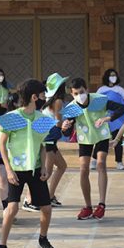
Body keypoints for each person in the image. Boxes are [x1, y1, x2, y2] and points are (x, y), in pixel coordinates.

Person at [0, 79, 57, 248]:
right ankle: (2, 247)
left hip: (35, 170)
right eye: (43, 95)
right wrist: (8, 170)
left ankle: (43, 239)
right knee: (11, 209)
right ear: (34, 97)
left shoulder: (42, 119)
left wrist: (43, 167)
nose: (45, 98)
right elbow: (2, 145)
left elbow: (43, 145)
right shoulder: (11, 117)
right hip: (16, 171)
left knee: (46, 208)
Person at [61, 78, 124, 220]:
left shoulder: (99, 100)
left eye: (82, 92)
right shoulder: (72, 108)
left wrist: (107, 118)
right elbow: (67, 132)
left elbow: (122, 108)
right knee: (83, 168)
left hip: (101, 135)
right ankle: (88, 206)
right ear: (72, 94)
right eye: (76, 93)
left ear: (87, 89)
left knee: (100, 164)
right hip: (85, 137)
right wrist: (65, 127)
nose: (79, 95)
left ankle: (101, 205)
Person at [96, 68, 124, 170]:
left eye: (114, 75)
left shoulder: (119, 89)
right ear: (106, 77)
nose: (113, 77)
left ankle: (119, 162)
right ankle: (94, 160)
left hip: (117, 118)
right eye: (111, 75)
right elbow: (96, 101)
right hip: (104, 116)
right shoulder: (101, 89)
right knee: (100, 139)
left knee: (117, 139)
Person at [41, 73, 69, 207]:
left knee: (62, 166)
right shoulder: (58, 101)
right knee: (46, 172)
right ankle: (32, 198)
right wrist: (66, 124)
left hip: (49, 138)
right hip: (49, 139)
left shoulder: (50, 100)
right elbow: (58, 122)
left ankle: (50, 196)